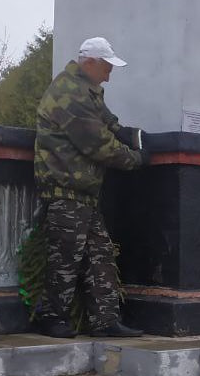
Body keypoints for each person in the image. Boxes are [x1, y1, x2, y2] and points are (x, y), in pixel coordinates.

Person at [32, 37, 148, 338]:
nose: (109, 76)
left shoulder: (86, 90)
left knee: (100, 257)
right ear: (90, 63)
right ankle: (50, 317)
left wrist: (124, 131)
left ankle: (105, 321)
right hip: (65, 190)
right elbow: (98, 143)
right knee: (65, 258)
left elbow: (106, 123)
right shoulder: (70, 92)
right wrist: (136, 158)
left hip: (81, 192)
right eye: (107, 68)